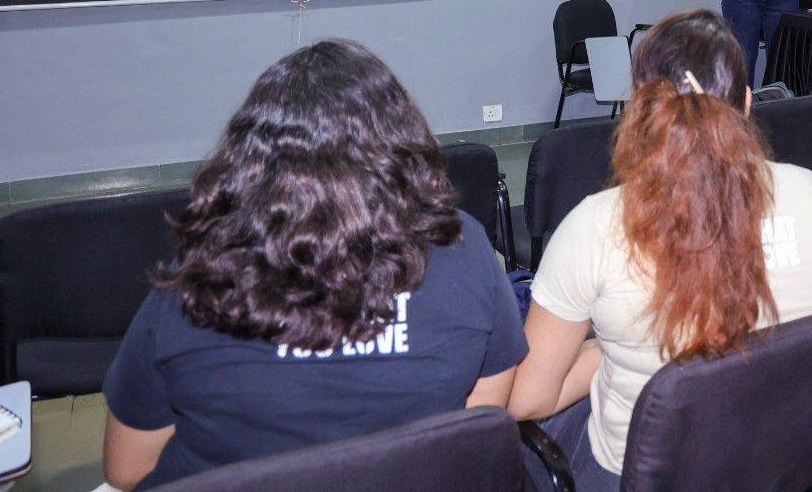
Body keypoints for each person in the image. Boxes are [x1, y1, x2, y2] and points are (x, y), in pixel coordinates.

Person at [101, 40, 525, 490]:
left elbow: (127, 469)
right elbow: (482, 421)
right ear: (402, 142)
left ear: (248, 157)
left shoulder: (198, 275)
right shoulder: (462, 246)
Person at [510, 9, 812, 490]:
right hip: (777, 464)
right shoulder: (810, 193)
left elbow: (528, 399)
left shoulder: (596, 226)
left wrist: (608, 345)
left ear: (640, 112)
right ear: (748, 104)